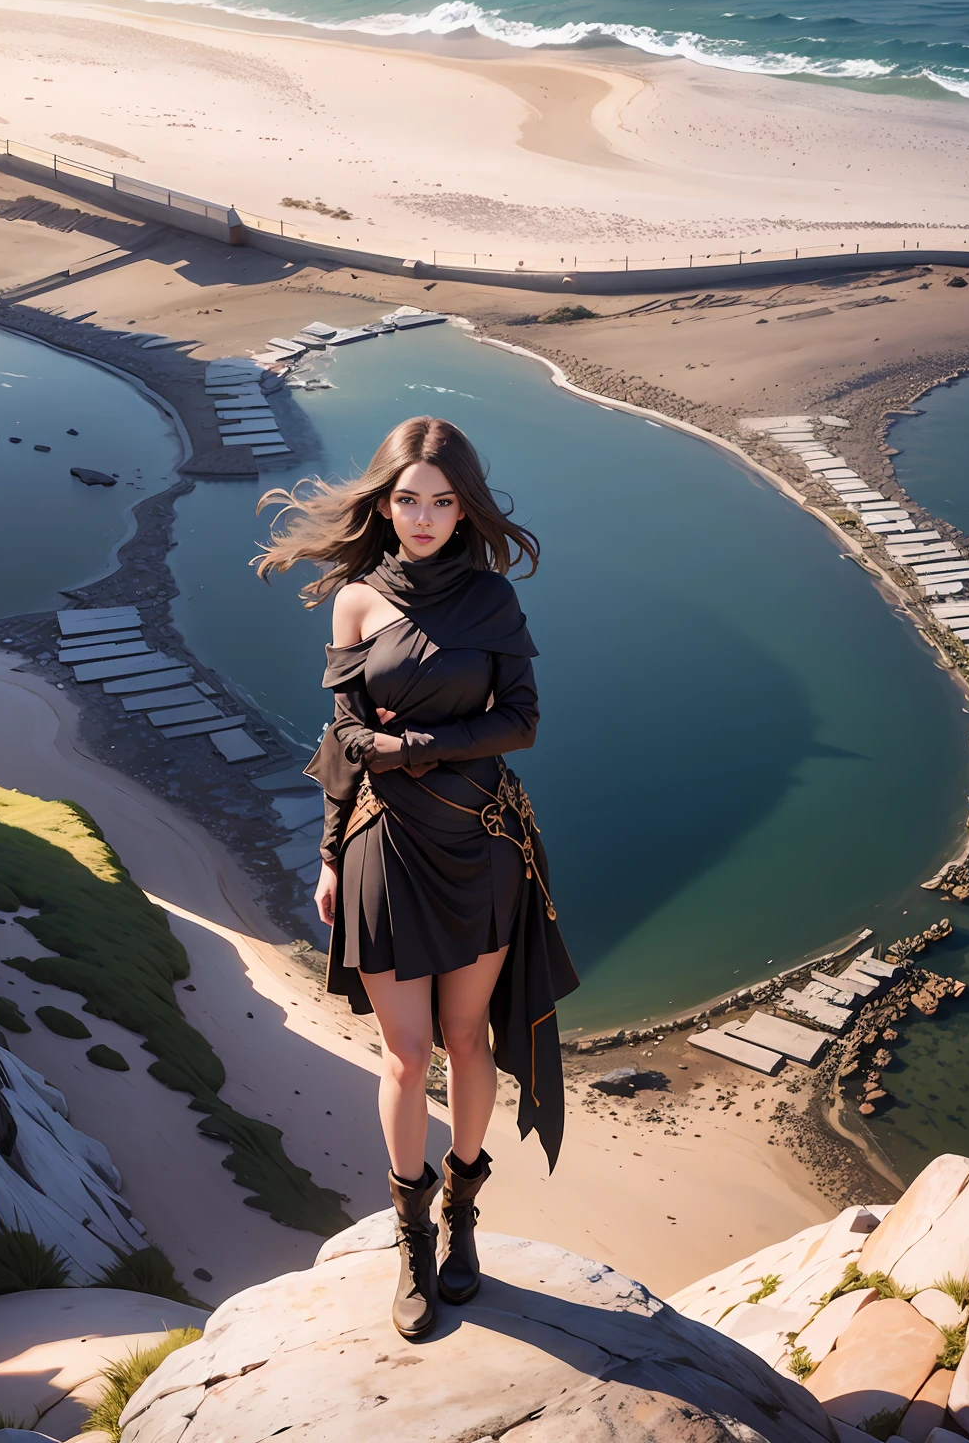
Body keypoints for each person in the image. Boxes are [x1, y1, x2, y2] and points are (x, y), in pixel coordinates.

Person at [254, 414, 579, 1341]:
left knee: (467, 1037)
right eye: (408, 500)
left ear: (465, 506)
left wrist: (412, 743)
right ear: (385, 503)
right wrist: (327, 851)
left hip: (477, 841)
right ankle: (410, 1243)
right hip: (382, 844)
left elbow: (520, 722)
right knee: (405, 1053)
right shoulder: (354, 601)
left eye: (442, 501)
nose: (425, 516)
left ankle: (463, 1220)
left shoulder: (492, 602)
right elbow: (340, 739)